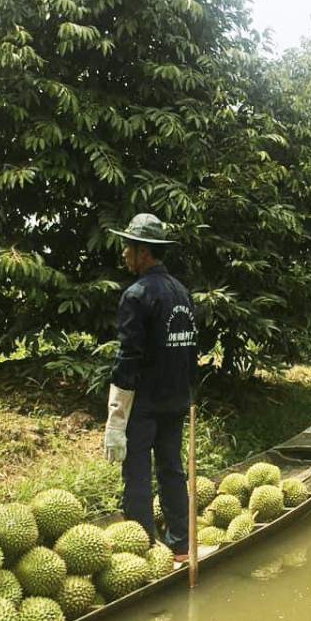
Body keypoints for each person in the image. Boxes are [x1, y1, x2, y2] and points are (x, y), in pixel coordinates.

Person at [103, 214, 197, 561]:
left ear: (143, 252)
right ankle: (181, 544)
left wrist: (117, 414)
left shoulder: (137, 294)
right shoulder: (182, 292)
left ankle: (141, 549)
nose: (124, 254)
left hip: (145, 402)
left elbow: (129, 356)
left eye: (128, 247)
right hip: (176, 398)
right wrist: (188, 394)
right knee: (171, 468)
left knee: (137, 472)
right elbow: (190, 350)